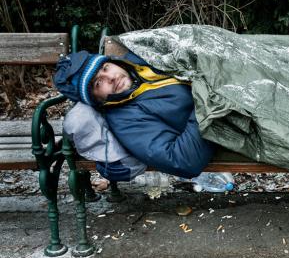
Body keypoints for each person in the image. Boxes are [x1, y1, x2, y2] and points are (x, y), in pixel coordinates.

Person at [53, 50, 215, 180]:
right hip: (224, 117)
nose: (110, 77)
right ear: (96, 100)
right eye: (98, 83)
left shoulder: (141, 58)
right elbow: (183, 161)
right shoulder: (127, 121)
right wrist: (206, 100)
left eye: (105, 68)